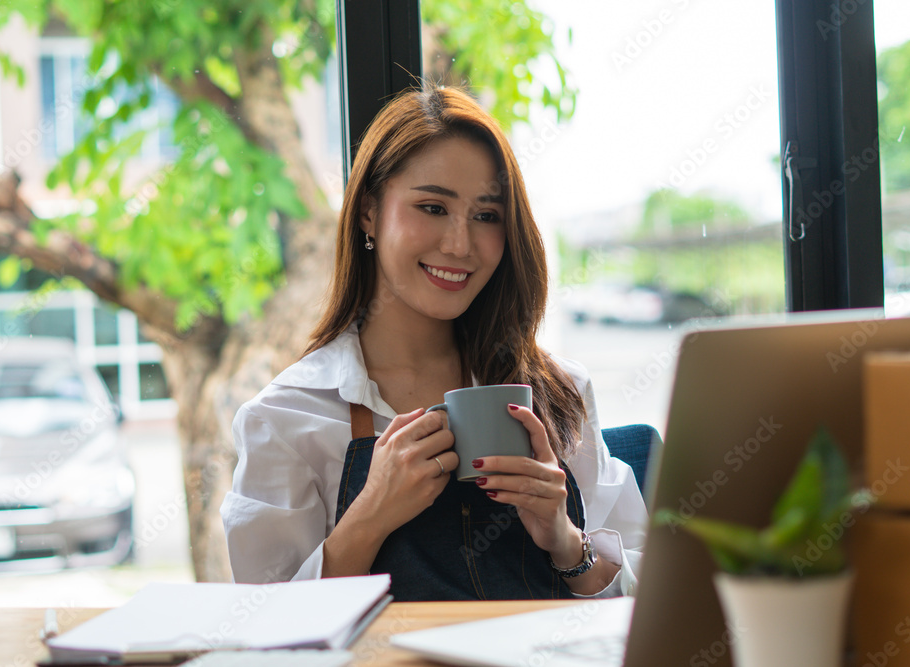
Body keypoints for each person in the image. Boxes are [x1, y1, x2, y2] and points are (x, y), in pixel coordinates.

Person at [220, 85, 648, 600]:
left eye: (487, 216)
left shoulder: (560, 391)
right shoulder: (288, 418)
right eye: (431, 207)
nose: (460, 245)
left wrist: (565, 541)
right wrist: (370, 516)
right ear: (368, 213)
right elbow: (264, 634)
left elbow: (652, 602)